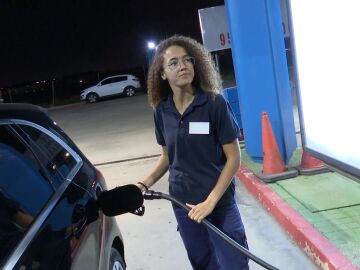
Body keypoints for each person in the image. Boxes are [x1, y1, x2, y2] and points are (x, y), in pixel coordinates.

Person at [137, 35, 249, 270]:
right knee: (203, 263)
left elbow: (233, 158)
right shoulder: (161, 112)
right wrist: (143, 185)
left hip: (219, 205)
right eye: (174, 63)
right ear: (163, 74)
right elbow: (167, 157)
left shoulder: (214, 104)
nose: (183, 66)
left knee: (235, 264)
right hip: (183, 204)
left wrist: (210, 201)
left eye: (187, 60)